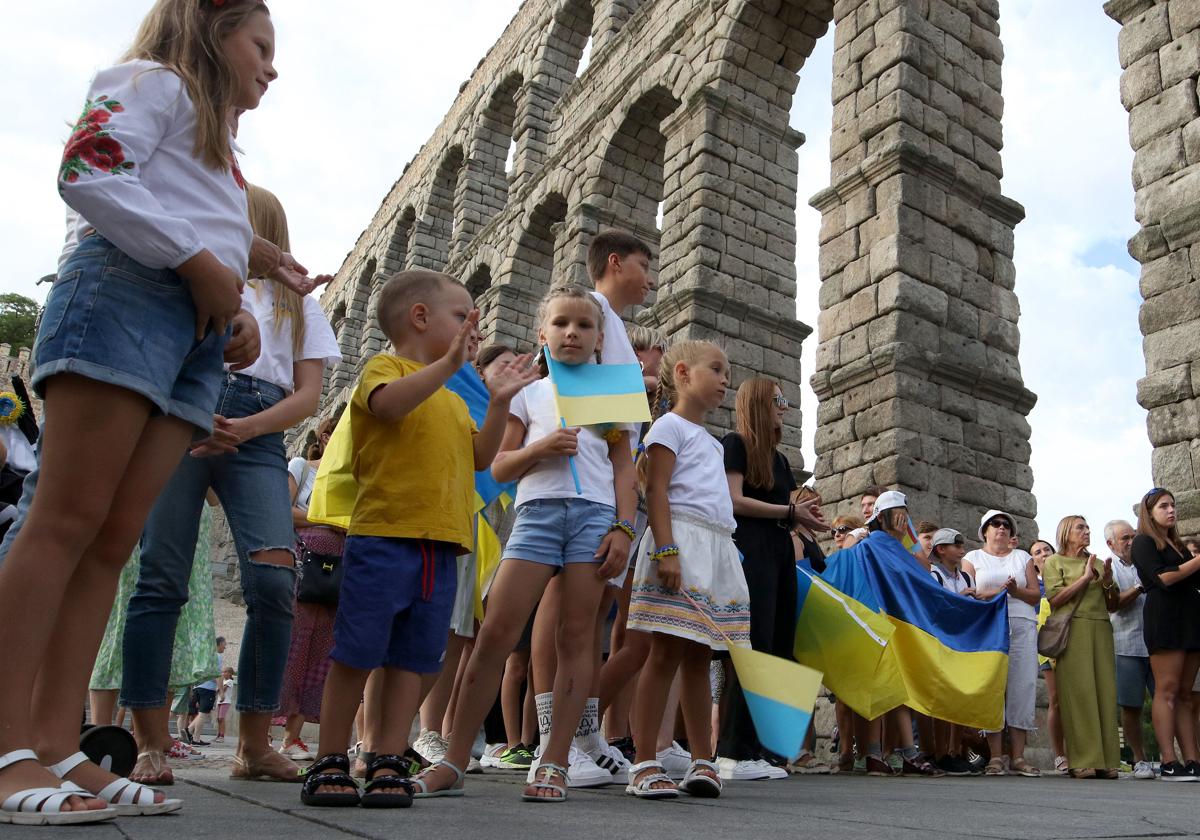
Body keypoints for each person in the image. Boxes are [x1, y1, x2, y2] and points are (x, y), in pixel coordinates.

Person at [0, 1, 278, 823]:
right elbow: (88, 172)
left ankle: (57, 741)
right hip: (125, 296)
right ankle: (5, 737)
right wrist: (201, 260)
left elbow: (194, 220)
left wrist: (240, 296)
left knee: (112, 539)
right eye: (260, 44)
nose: (272, 65)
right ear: (211, 25)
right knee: (64, 518)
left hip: (191, 331)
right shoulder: (154, 81)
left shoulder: (220, 150)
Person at [122, 182, 340, 789]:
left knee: (273, 580)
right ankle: (148, 740)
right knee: (160, 574)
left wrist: (242, 429)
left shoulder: (300, 308)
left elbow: (307, 397)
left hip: (257, 437)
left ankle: (253, 741)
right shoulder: (195, 280)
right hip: (181, 418)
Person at [299, 270, 535, 808]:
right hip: (384, 538)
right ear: (420, 317)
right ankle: (330, 756)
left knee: (415, 659)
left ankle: (388, 753)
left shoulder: (453, 400)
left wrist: (497, 403)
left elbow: (482, 460)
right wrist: (452, 365)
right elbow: (387, 407)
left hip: (440, 547)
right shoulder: (386, 369)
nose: (472, 327)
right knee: (357, 652)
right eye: (462, 315)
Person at [406, 283, 630, 803]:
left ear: (599, 338)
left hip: (595, 519)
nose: (572, 333)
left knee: (577, 639)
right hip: (536, 514)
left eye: (584, 325)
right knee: (495, 635)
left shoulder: (612, 390)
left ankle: (553, 761)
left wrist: (623, 528)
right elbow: (500, 465)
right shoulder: (526, 392)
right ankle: (455, 758)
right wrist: (544, 447)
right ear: (542, 334)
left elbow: (624, 469)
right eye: (561, 324)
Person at [623, 340, 750, 800]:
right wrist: (666, 551)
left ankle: (702, 759)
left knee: (699, 659)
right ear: (682, 372)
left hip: (714, 549)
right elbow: (656, 491)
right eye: (716, 369)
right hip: (681, 542)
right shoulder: (668, 428)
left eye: (726, 371)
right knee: (663, 655)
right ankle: (644, 760)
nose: (724, 379)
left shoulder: (714, 445)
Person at [715, 377, 820, 781]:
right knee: (753, 646)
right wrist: (789, 514)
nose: (785, 407)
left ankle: (767, 750)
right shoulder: (735, 443)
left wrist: (807, 512)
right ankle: (734, 752)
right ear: (759, 402)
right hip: (752, 552)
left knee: (779, 645)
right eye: (779, 400)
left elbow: (789, 503)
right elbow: (734, 499)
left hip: (778, 555)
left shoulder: (776, 459)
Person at [276, 416, 341, 762]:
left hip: (336, 572)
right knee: (292, 645)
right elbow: (283, 511)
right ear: (325, 435)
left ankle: (293, 736)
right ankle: (267, 730)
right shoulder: (301, 466)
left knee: (321, 652)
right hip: (303, 565)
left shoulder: (350, 477)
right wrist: (327, 518)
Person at [963, 509, 1041, 777]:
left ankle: (1018, 756)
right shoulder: (972, 558)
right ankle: (995, 755)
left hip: (1021, 624)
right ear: (985, 530)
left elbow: (1034, 594)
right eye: (995, 524)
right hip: (989, 627)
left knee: (1022, 686)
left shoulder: (1023, 557)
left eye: (1006, 524)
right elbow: (968, 594)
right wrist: (997, 592)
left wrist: (1016, 591)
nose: (1001, 528)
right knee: (994, 687)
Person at [1043, 516, 1120, 779]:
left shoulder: (1098, 561)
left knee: (1105, 692)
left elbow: (1113, 604)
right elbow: (1054, 599)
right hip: (1072, 629)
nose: (1087, 531)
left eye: (1088, 527)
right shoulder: (1054, 562)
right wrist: (1086, 578)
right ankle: (1083, 759)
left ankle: (1108, 759)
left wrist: (1107, 580)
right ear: (1066, 532)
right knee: (1079, 694)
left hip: (1100, 628)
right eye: (1081, 528)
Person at [1131, 488, 1200, 781]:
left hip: (1190, 618)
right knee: (1167, 690)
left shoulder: (1178, 545)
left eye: (1172, 505)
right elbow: (1164, 578)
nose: (1171, 510)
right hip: (1165, 618)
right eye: (1164, 506)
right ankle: (1169, 761)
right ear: (1150, 511)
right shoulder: (1143, 542)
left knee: (1186, 694)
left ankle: (1193, 759)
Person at [1102, 520, 1155, 779]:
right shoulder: (1107, 568)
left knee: (1170, 702)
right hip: (1126, 644)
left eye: (1133, 536)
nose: (1131, 542)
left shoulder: (1148, 559)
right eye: (1125, 538)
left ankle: (1178, 757)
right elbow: (1113, 605)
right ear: (1111, 543)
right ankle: (1139, 759)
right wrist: (1140, 586)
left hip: (1158, 644)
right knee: (1131, 705)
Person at [1029, 537, 1067, 774]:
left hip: (1072, 641)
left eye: (1047, 549)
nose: (1043, 554)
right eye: (1037, 552)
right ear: (1033, 561)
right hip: (1047, 645)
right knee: (1056, 699)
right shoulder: (1035, 586)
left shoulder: (1064, 579)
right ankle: (1059, 755)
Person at [216, 666, 236, 742]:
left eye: (225, 672)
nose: (223, 673)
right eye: (223, 672)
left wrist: (219, 687)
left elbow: (222, 690)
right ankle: (218, 735)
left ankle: (222, 736)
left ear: (230, 673)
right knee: (218, 719)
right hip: (219, 701)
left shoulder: (229, 681)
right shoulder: (223, 681)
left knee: (221, 718)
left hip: (226, 701)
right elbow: (217, 691)